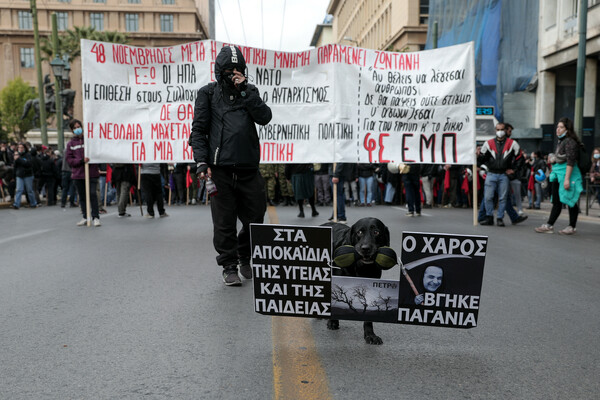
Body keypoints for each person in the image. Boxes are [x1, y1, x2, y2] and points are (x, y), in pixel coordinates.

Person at [189, 45, 272, 286]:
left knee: (255, 218)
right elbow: (199, 130)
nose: (234, 73)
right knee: (224, 221)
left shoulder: (250, 91)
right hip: (220, 170)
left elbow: (265, 117)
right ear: (219, 70)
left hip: (248, 169)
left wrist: (246, 90)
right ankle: (229, 265)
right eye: (229, 69)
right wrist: (201, 162)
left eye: (238, 69)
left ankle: (245, 255)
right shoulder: (207, 93)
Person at [535, 117, 584, 235]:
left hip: (568, 176)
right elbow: (561, 158)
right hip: (558, 176)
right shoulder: (561, 141)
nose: (558, 129)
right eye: (557, 127)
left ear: (567, 129)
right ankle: (549, 225)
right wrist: (553, 160)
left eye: (561, 127)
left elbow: (570, 161)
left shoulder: (570, 142)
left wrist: (567, 179)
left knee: (570, 201)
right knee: (557, 201)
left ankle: (572, 226)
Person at [477, 122, 520, 226]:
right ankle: (489, 217)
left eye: (501, 129)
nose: (500, 132)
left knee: (503, 198)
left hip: (503, 175)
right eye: (498, 129)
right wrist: (478, 156)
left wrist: (514, 170)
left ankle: (500, 218)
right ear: (495, 130)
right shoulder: (488, 143)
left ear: (505, 130)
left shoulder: (513, 143)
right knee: (488, 197)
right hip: (491, 174)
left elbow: (520, 159)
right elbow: (483, 158)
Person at [65, 119, 101, 226]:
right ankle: (86, 216)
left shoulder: (90, 140)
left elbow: (97, 152)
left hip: (91, 173)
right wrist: (81, 161)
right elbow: (69, 159)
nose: (77, 129)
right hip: (78, 175)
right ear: (72, 130)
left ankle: (95, 217)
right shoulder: (70, 144)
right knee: (82, 197)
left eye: (78, 127)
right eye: (75, 128)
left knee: (92, 194)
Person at [11, 142, 38, 209]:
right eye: (19, 147)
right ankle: (16, 204)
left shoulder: (28, 155)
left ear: (24, 148)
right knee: (19, 190)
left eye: (22, 147)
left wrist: (18, 159)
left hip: (28, 175)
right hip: (19, 175)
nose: (20, 149)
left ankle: (33, 203)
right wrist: (13, 176)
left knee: (29, 190)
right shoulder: (16, 155)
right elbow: (15, 167)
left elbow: (27, 164)